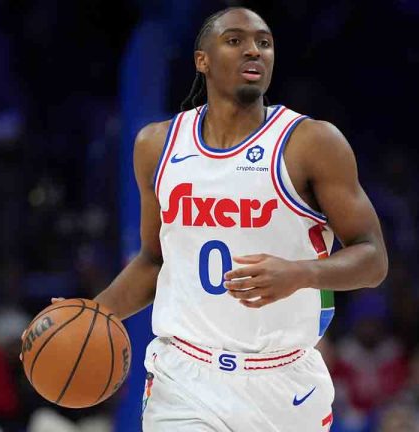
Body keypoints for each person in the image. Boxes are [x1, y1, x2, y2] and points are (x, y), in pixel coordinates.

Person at [52, 6, 388, 430]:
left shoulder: (311, 143)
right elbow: (155, 261)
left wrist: (300, 274)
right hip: (186, 378)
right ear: (202, 60)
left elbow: (374, 259)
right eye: (235, 41)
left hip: (284, 383)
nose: (254, 51)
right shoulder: (157, 145)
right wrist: (92, 313)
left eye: (264, 43)